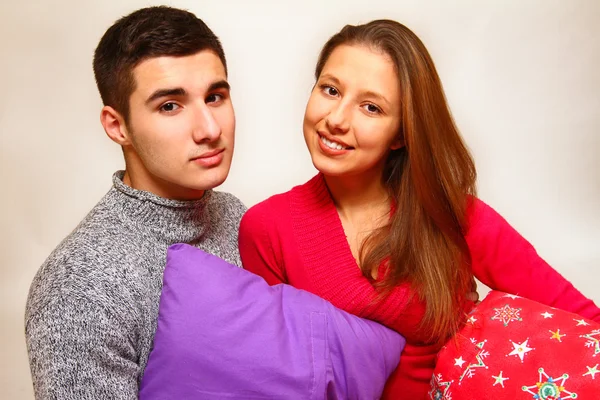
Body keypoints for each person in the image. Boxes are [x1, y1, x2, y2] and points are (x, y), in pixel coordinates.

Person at [238, 19, 600, 398]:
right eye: (330, 90)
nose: (336, 119)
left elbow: (584, 324)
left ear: (400, 134)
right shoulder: (267, 228)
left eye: (371, 107)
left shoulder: (452, 215)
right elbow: (279, 374)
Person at [24, 6, 246, 399]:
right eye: (169, 106)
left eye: (215, 97)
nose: (210, 130)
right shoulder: (79, 286)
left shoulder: (236, 215)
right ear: (117, 125)